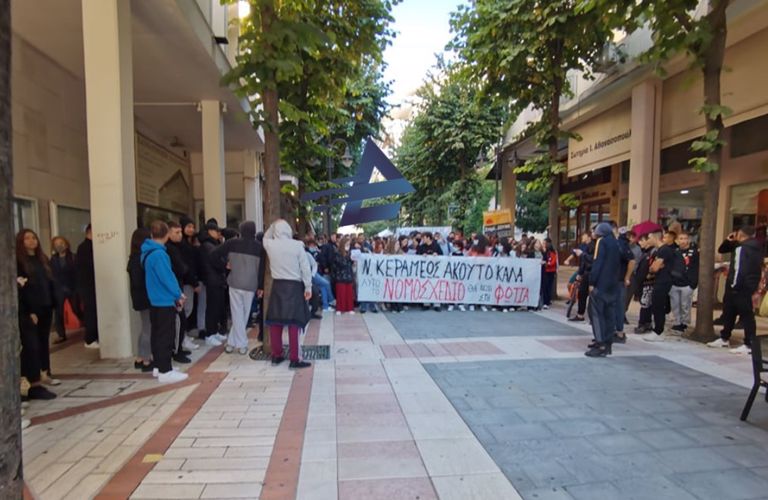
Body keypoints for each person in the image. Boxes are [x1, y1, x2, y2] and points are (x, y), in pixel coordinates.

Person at [142, 221, 188, 384]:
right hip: (164, 300)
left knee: (157, 334)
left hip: (155, 300)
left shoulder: (147, 252)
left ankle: (159, 366)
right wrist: (178, 294)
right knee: (166, 336)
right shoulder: (160, 254)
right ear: (167, 235)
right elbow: (167, 277)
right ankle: (165, 371)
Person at [262, 219, 312, 369]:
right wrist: (308, 287)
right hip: (294, 286)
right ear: (289, 230)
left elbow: (265, 236)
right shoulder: (297, 246)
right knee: (294, 323)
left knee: (275, 322)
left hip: (278, 286)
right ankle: (295, 358)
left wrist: (272, 225)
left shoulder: (270, 245)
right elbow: (305, 268)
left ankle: (276, 356)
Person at [210, 221, 265, 355]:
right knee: (243, 315)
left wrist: (225, 265)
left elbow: (213, 255)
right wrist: (260, 286)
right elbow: (262, 269)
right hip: (251, 284)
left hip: (235, 282)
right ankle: (240, 344)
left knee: (237, 314)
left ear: (241, 230)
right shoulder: (260, 247)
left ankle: (233, 343)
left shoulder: (232, 243)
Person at [708, 226, 764, 353]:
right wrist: (729, 240)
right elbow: (722, 249)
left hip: (740, 286)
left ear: (740, 235)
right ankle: (724, 338)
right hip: (746, 284)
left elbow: (740, 268)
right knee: (730, 312)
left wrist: (734, 285)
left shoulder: (742, 248)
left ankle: (749, 344)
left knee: (746, 315)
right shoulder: (754, 246)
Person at [16, 229, 60, 387]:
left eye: (33, 237)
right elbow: (22, 290)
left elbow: (49, 282)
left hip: (45, 305)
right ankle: (30, 378)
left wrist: (54, 301)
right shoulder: (19, 262)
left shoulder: (42, 259)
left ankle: (45, 372)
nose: (31, 241)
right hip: (31, 309)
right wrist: (29, 311)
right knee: (31, 345)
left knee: (43, 341)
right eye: (27, 238)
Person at [17, 264, 57, 400]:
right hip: (22, 311)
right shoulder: (19, 262)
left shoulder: (40, 261)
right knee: (28, 347)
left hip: (37, 307)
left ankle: (35, 383)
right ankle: (25, 386)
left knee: (34, 347)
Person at [585, 223, 621, 357]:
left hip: (601, 284)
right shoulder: (616, 243)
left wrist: (592, 281)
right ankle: (608, 343)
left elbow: (597, 263)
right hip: (613, 285)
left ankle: (600, 343)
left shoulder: (601, 242)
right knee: (609, 315)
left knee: (597, 314)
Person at [638, 230, 677, 341]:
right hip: (659, 280)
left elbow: (654, 268)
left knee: (658, 306)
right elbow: (654, 267)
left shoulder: (664, 250)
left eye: (650, 238)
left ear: (655, 238)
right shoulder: (659, 250)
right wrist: (656, 266)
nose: (648, 240)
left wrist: (655, 267)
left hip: (664, 281)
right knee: (656, 305)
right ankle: (657, 329)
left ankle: (658, 331)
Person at [166, 221, 193, 363]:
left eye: (180, 232)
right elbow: (180, 268)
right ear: (168, 233)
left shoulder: (178, 247)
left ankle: (179, 348)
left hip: (178, 287)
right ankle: (176, 351)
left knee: (181, 320)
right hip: (173, 290)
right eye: (177, 232)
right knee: (178, 321)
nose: (180, 235)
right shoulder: (169, 249)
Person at [127, 228, 153, 371]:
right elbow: (139, 281)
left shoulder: (133, 258)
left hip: (139, 297)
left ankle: (140, 357)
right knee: (148, 328)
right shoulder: (139, 259)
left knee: (145, 327)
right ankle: (146, 360)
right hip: (145, 297)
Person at [198, 218, 228, 346]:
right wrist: (225, 264)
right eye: (216, 231)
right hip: (212, 280)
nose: (218, 233)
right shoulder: (207, 245)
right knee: (212, 308)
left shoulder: (213, 244)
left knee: (217, 307)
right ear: (209, 231)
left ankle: (214, 331)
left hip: (217, 279)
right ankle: (210, 334)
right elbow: (216, 260)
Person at [179, 216, 202, 351]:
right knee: (186, 310)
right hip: (186, 282)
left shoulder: (188, 243)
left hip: (189, 281)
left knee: (188, 310)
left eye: (193, 227)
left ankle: (184, 335)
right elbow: (186, 266)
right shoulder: (181, 245)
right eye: (188, 227)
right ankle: (182, 338)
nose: (191, 229)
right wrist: (194, 282)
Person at [50, 236, 78, 344]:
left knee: (76, 308)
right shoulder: (53, 259)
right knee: (58, 312)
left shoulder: (73, 257)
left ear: (66, 244)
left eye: (61, 243)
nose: (59, 246)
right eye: (56, 244)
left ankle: (88, 326)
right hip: (59, 289)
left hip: (72, 287)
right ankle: (61, 334)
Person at [670, 231, 699, 333]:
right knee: (675, 304)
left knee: (685, 305)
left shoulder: (694, 253)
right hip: (674, 283)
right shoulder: (674, 252)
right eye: (681, 239)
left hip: (687, 283)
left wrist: (693, 283)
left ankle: (684, 323)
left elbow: (696, 268)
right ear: (677, 241)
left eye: (685, 238)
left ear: (689, 240)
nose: (683, 241)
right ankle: (677, 322)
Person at [76, 224, 99, 348]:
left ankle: (94, 337)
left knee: (93, 311)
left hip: (89, 285)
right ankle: (90, 339)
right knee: (91, 312)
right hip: (88, 286)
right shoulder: (85, 248)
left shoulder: (89, 247)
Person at [568, 233, 594, 322]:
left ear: (589, 237)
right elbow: (583, 261)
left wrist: (582, 254)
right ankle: (580, 314)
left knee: (591, 295)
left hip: (592, 272)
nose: (582, 237)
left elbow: (592, 260)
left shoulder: (595, 245)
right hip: (585, 272)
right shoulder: (584, 246)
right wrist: (580, 273)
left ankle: (592, 317)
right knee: (582, 293)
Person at [333, 236, 356, 314]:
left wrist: (353, 260)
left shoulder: (350, 253)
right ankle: (339, 309)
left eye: (349, 244)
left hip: (349, 275)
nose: (348, 246)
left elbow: (350, 264)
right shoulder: (337, 253)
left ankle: (350, 308)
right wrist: (349, 258)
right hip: (340, 276)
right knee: (341, 293)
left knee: (349, 293)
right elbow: (341, 263)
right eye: (347, 244)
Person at [541, 238, 558, 309]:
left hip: (550, 271)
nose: (543, 244)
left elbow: (553, 262)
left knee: (548, 287)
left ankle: (547, 301)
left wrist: (546, 263)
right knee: (545, 286)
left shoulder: (552, 252)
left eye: (544, 243)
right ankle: (546, 301)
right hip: (545, 271)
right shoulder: (543, 252)